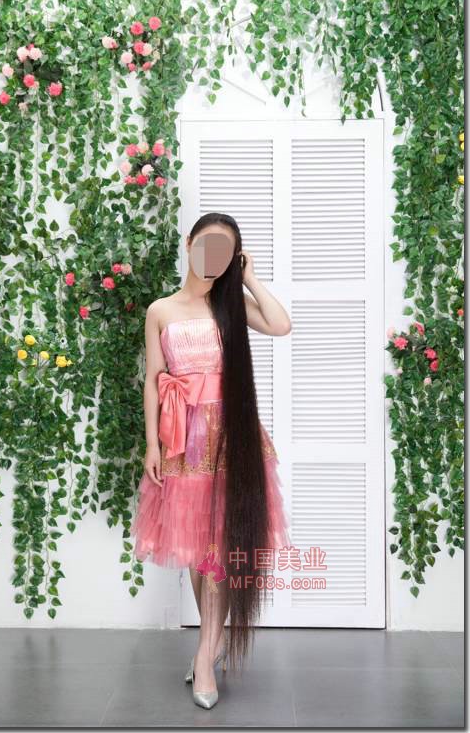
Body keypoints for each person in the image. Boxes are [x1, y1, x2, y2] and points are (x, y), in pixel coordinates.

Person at [130, 211, 291, 709]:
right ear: (189, 244)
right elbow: (154, 381)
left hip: (231, 438)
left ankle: (205, 658)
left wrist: (250, 279)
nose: (214, 257)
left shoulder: (232, 306)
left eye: (226, 251)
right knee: (200, 552)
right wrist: (152, 445)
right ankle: (213, 643)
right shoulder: (161, 310)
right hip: (183, 439)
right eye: (208, 245)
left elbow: (281, 325)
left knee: (219, 548)